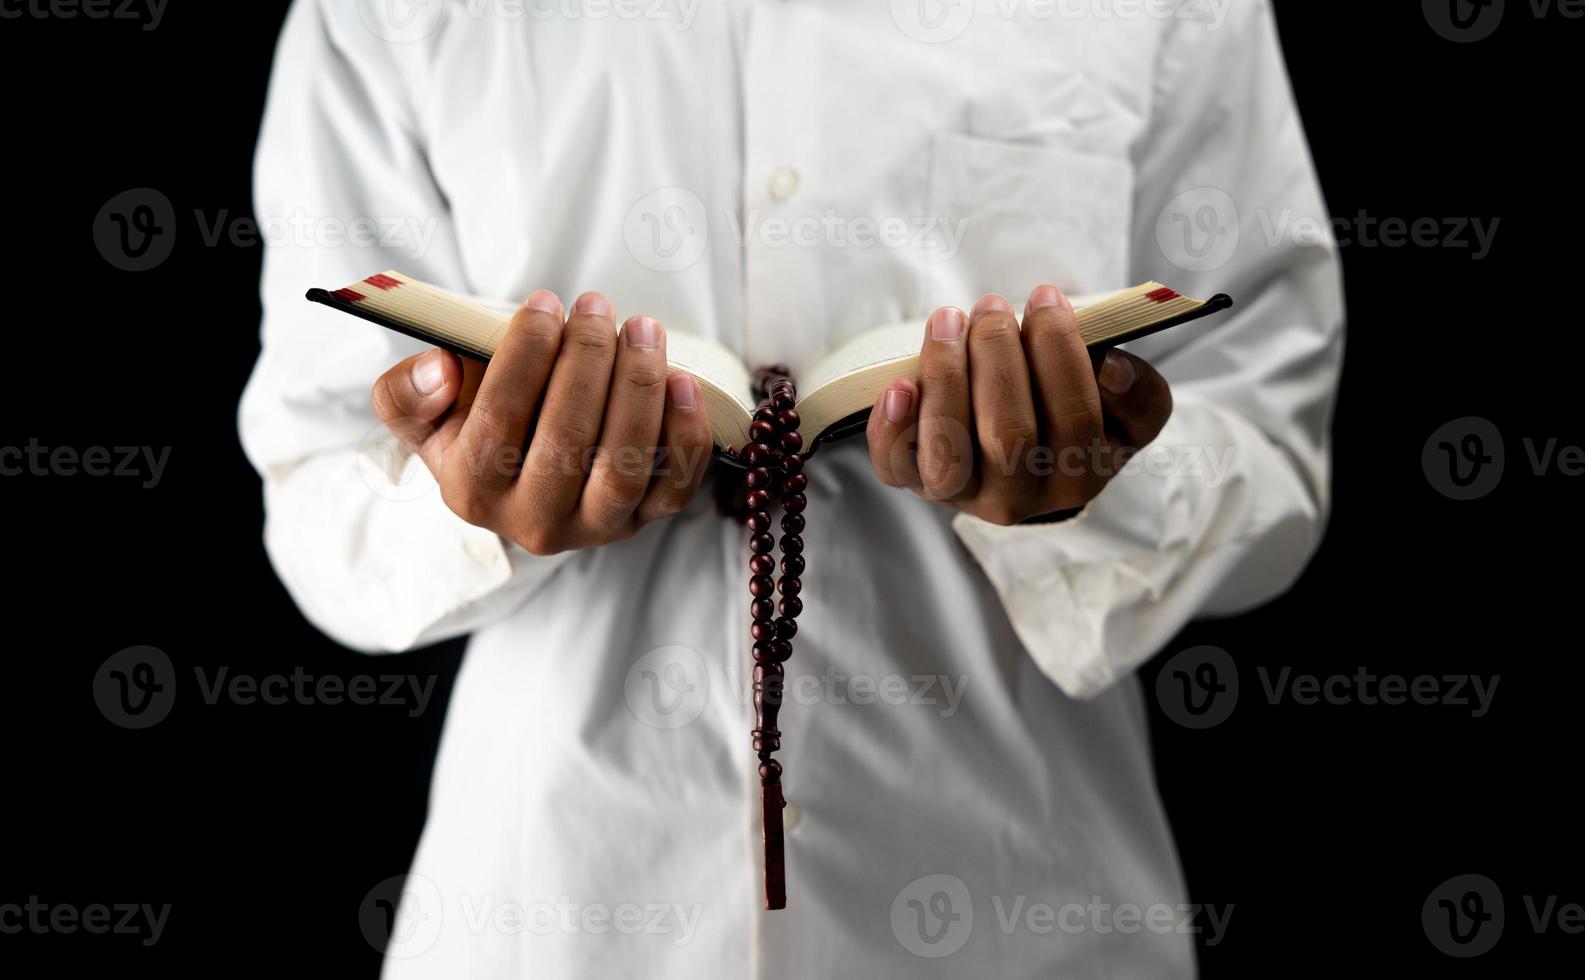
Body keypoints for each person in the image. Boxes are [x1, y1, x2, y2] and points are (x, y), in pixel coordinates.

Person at [240, 1, 1342, 975]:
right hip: (557, 917)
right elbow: (317, 486)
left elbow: (1270, 442)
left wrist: (1103, 490)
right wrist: (473, 504)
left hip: (1031, 915)